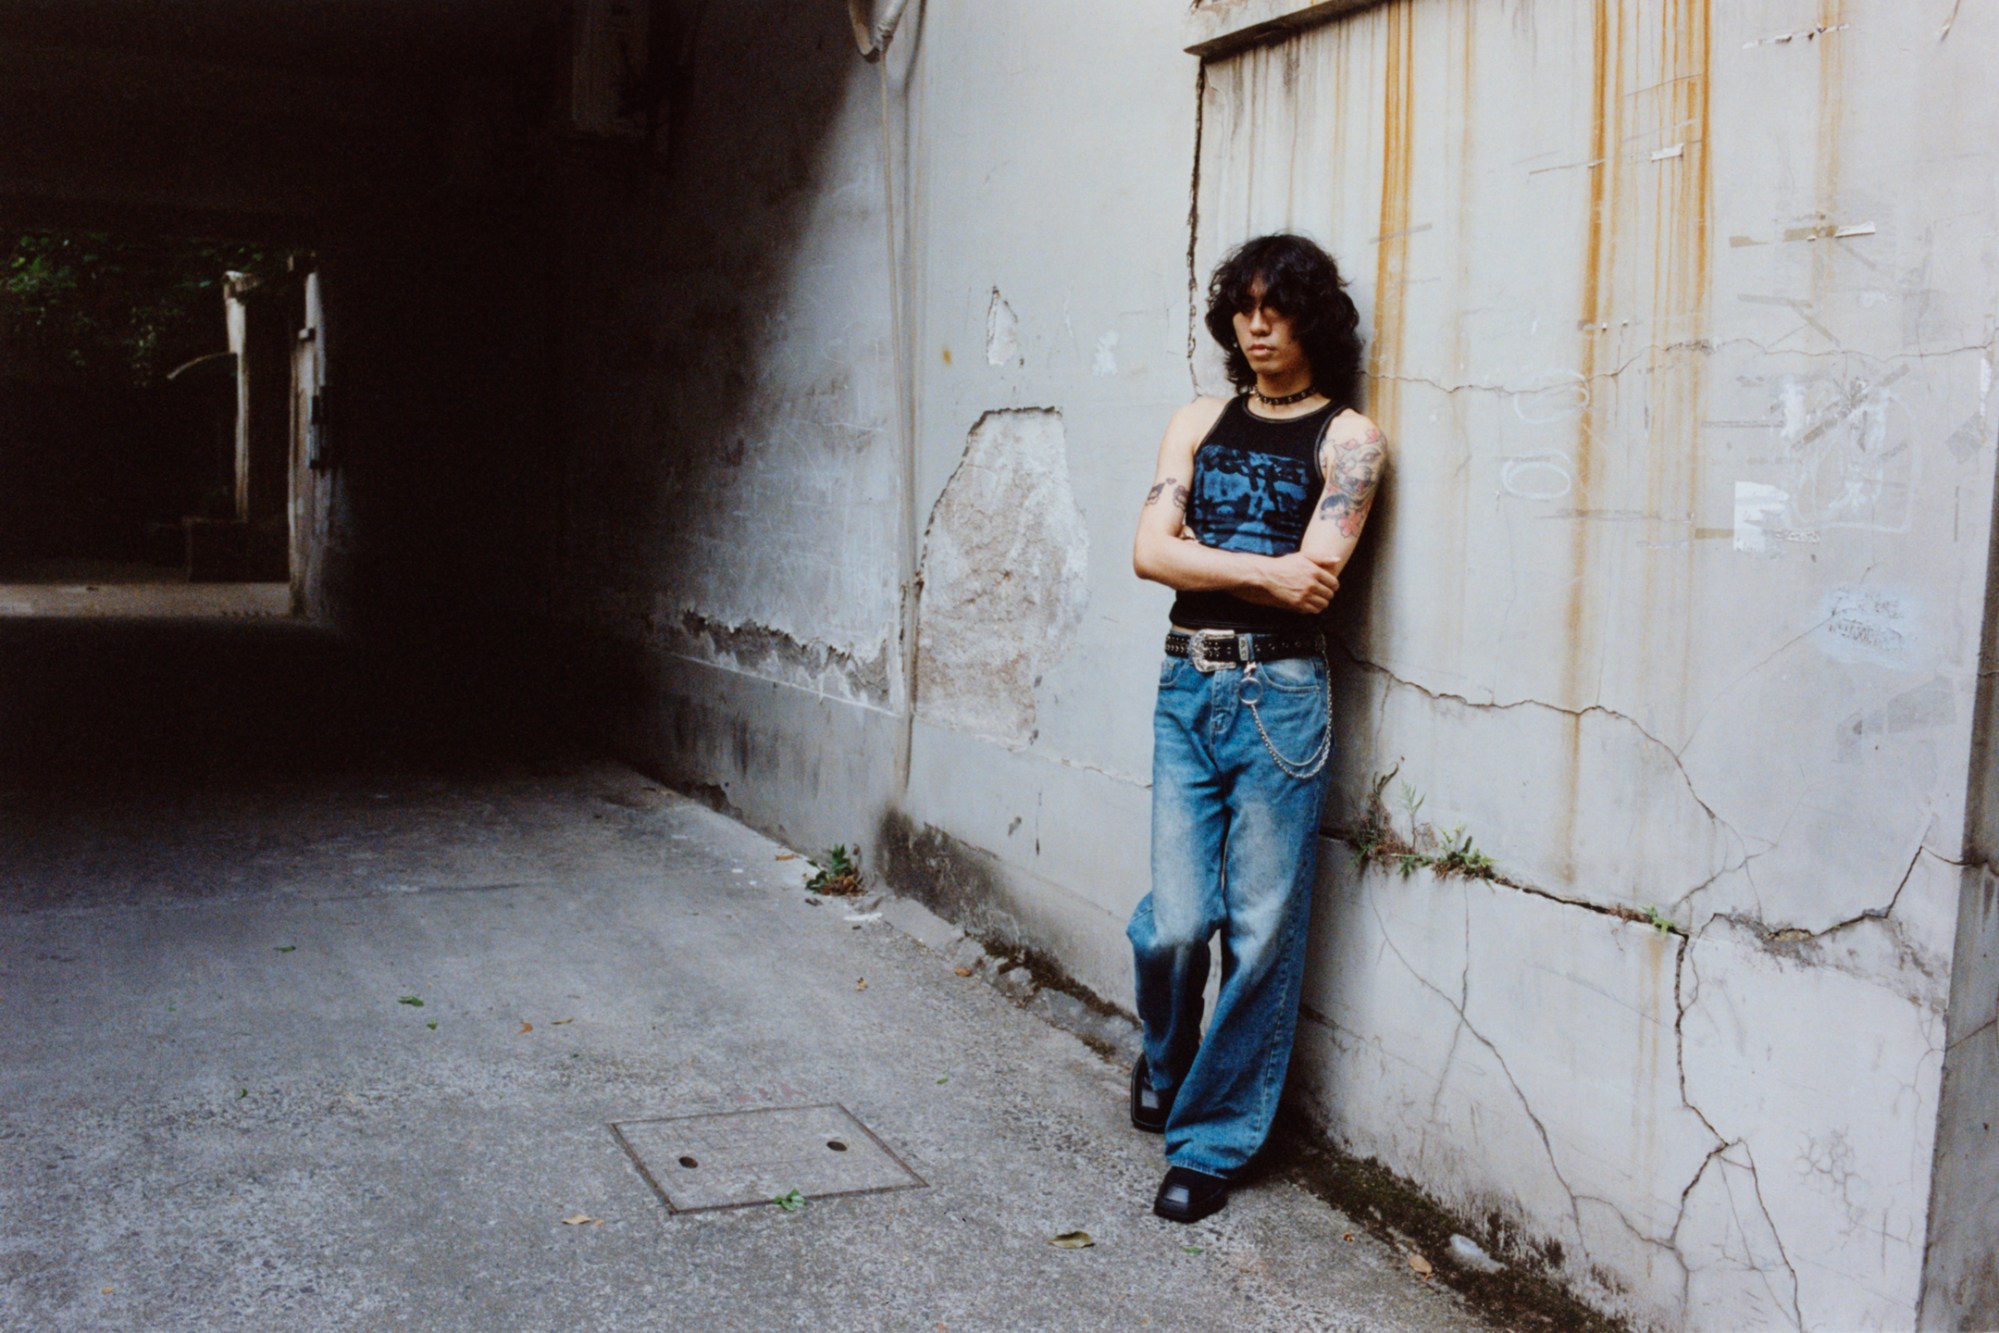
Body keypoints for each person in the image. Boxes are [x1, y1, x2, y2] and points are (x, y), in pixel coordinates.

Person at [1127, 233, 1386, 1223]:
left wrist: (1214, 559)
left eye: (1276, 308)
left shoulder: (1348, 440)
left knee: (1260, 930)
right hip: (1186, 690)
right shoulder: (1198, 417)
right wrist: (1264, 571)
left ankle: (1210, 1138)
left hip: (1280, 701)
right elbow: (1149, 552)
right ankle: (1163, 1057)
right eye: (1242, 308)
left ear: (1310, 316)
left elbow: (1316, 580)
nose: (1257, 325)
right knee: (1179, 921)